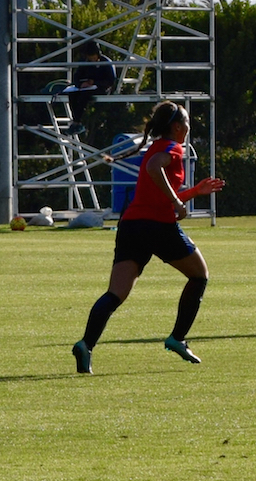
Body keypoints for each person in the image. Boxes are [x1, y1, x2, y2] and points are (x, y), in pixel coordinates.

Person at [72, 101, 225, 374]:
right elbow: (155, 168)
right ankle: (177, 338)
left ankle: (86, 344)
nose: (189, 127)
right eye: (188, 122)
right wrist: (179, 203)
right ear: (177, 127)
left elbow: (156, 191)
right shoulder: (172, 148)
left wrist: (192, 194)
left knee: (115, 294)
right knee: (200, 275)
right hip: (157, 227)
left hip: (132, 225)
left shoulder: (157, 146)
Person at [65, 42, 117, 135]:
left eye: (92, 56)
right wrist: (80, 84)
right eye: (89, 57)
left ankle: (77, 122)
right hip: (86, 88)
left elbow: (110, 81)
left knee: (84, 96)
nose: (91, 59)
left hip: (101, 88)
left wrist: (95, 83)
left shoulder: (106, 62)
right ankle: (76, 121)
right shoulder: (86, 62)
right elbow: (77, 76)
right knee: (72, 95)